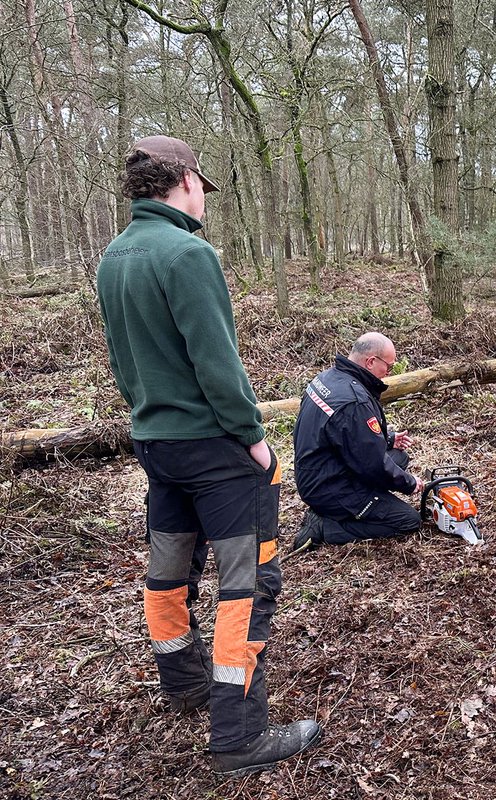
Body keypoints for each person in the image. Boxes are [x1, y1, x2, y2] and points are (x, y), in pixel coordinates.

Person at [96, 135, 321, 777]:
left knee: (168, 568)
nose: (204, 201)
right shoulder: (188, 253)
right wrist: (254, 439)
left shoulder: (115, 255)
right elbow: (216, 362)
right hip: (214, 450)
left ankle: (185, 684)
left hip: (157, 444)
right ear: (187, 181)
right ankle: (240, 734)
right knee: (245, 584)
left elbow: (124, 359)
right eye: (202, 188)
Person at [291, 332, 425, 552]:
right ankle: (325, 527)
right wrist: (410, 483)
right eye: (388, 367)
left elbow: (344, 435)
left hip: (316, 471)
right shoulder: (354, 401)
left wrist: (389, 440)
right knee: (408, 520)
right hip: (329, 487)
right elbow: (372, 464)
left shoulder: (328, 378)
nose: (388, 373)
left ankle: (341, 508)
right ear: (371, 361)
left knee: (399, 457)